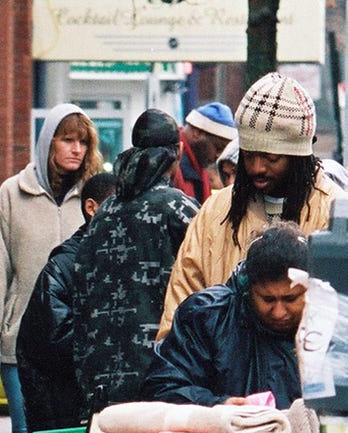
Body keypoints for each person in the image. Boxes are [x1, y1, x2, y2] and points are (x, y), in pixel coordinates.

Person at [0, 103, 102, 433]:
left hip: (76, 350)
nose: (76, 149)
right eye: (68, 139)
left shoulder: (96, 198)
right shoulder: (13, 194)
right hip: (21, 349)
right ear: (48, 142)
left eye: (83, 141)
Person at [158, 72, 343, 340]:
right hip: (222, 378)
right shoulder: (215, 212)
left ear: (301, 154)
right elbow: (179, 313)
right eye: (249, 155)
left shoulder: (335, 212)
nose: (257, 168)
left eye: (271, 157)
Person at [70, 109, 200, 405]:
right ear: (178, 152)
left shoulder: (104, 212)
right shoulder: (179, 208)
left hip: (101, 377)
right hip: (164, 375)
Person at [141, 222, 308, 409]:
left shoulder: (332, 321)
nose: (279, 312)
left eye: (290, 299)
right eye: (268, 299)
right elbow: (162, 389)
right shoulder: (206, 317)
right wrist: (219, 405)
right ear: (249, 287)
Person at [15, 171, 117, 433]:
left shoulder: (122, 258)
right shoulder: (65, 266)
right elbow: (53, 340)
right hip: (68, 414)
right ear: (91, 208)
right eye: (115, 204)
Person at [172, 102, 238, 204]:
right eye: (218, 148)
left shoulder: (197, 165)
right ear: (197, 132)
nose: (219, 156)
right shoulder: (171, 161)